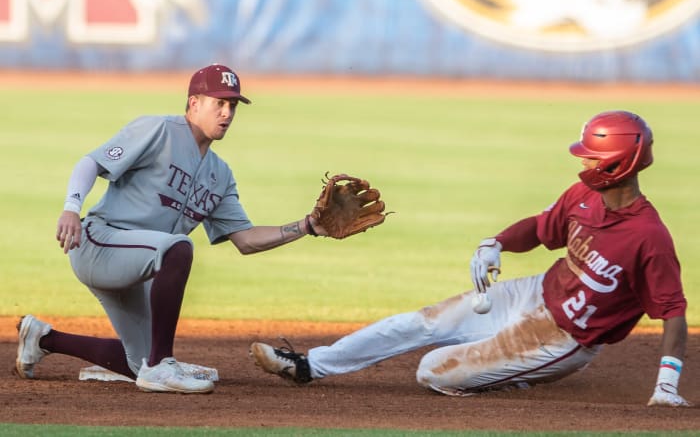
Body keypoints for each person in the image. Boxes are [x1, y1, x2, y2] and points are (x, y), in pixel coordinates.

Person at [250, 110, 691, 407]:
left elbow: (673, 312)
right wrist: (494, 243)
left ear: (617, 164)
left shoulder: (648, 238)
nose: (583, 162)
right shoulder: (584, 196)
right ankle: (309, 366)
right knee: (423, 323)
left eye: (592, 156)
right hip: (534, 292)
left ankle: (511, 371)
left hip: (564, 338)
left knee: (433, 371)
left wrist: (667, 383)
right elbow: (540, 230)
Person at [16, 63, 343, 394]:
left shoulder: (220, 174)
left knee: (136, 362)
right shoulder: (159, 130)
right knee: (177, 248)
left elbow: (245, 239)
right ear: (194, 103)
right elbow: (93, 162)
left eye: (232, 105)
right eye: (220, 103)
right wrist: (72, 207)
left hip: (138, 261)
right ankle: (162, 364)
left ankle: (42, 339)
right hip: (98, 243)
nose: (227, 113)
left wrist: (307, 226)